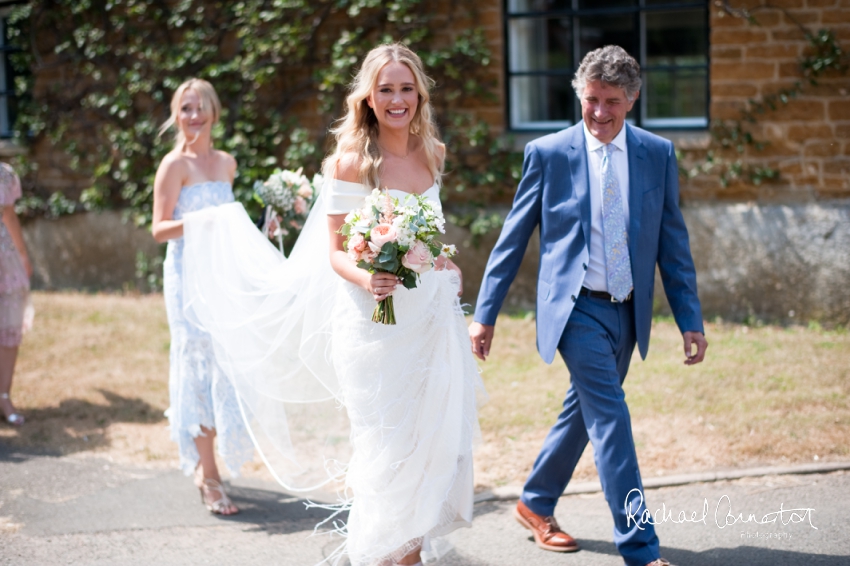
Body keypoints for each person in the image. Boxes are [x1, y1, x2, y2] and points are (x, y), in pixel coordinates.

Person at [178, 44, 486, 566]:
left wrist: (443, 263)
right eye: (385, 89)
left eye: (406, 88)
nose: (397, 99)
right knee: (387, 449)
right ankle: (396, 554)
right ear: (368, 97)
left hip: (431, 323)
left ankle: (403, 549)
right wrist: (372, 278)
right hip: (375, 327)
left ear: (419, 94)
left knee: (434, 444)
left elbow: (431, 236)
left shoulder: (433, 151)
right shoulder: (350, 164)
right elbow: (337, 252)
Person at [469, 45, 708, 566]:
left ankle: (534, 503)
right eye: (592, 99)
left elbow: (673, 242)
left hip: (627, 311)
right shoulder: (549, 154)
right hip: (574, 309)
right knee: (612, 422)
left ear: (633, 99)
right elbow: (512, 240)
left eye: (612, 102)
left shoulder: (657, 154)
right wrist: (484, 314)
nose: (600, 113)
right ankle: (641, 548)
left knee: (584, 413)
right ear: (581, 94)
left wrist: (689, 318)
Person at [151, 78, 254, 515]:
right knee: (197, 365)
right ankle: (209, 477)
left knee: (224, 365)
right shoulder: (173, 165)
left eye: (200, 108)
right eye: (185, 109)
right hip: (186, 275)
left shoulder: (227, 162)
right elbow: (159, 229)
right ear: (176, 115)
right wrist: (205, 220)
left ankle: (209, 465)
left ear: (214, 112)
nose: (193, 116)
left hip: (223, 276)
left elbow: (232, 223)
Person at [0, 163, 32, 427]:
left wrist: (22, 254)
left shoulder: (5, 174)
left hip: (4, 260)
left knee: (9, 328)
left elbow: (9, 215)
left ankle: (4, 396)